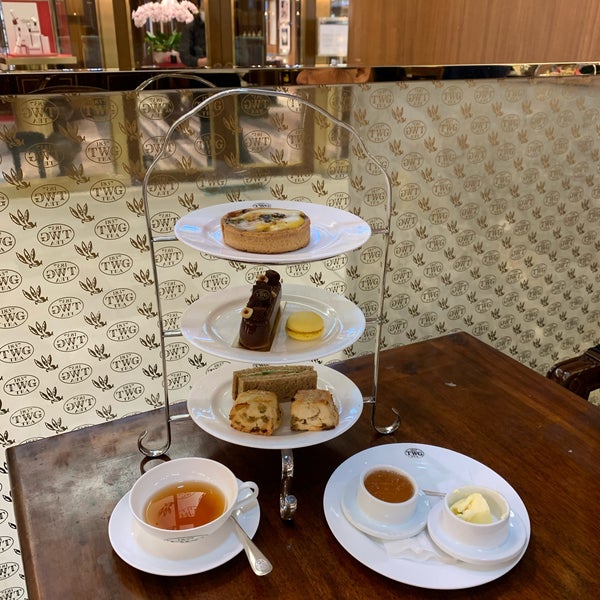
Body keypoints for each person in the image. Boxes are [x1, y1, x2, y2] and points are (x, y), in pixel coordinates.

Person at [178, 2, 207, 68]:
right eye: (204, 9)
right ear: (199, 8)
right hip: (199, 71)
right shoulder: (190, 28)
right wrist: (202, 62)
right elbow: (184, 55)